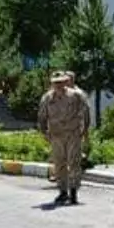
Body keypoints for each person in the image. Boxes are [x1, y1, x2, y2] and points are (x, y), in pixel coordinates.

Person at [37, 72, 89, 205]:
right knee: (59, 164)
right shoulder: (47, 98)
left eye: (61, 82)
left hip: (72, 134)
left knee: (74, 162)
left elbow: (86, 111)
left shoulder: (75, 95)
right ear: (52, 84)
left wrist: (84, 130)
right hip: (56, 136)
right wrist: (44, 132)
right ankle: (62, 191)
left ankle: (73, 192)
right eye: (56, 83)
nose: (58, 85)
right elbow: (42, 116)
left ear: (66, 82)